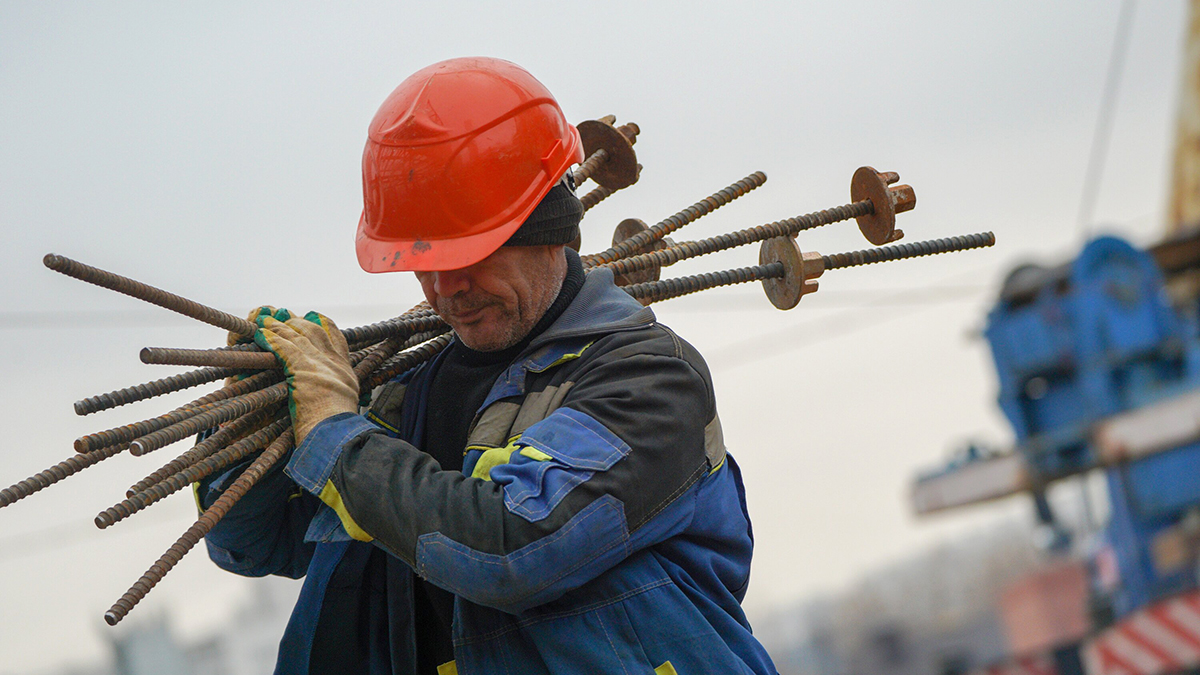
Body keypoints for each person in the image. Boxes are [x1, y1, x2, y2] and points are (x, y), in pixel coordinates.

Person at [200, 57, 778, 675]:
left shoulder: (649, 380)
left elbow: (514, 548)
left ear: (548, 227)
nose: (446, 291)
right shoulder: (399, 397)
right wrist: (254, 434)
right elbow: (252, 544)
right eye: (424, 260)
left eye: (469, 255)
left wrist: (335, 438)